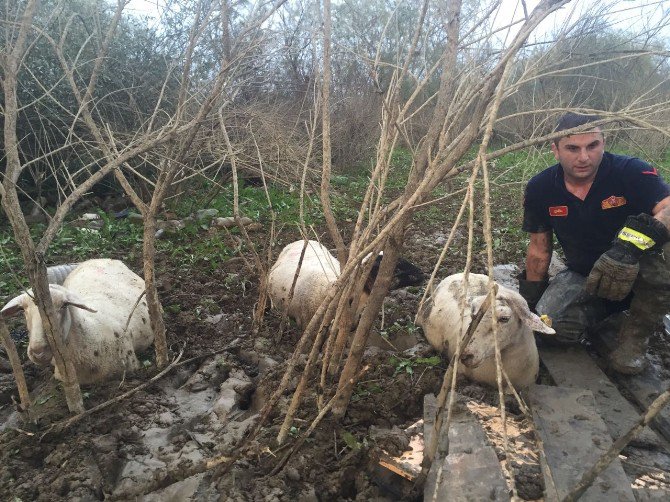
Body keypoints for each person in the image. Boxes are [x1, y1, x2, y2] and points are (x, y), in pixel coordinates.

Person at [518, 112, 670, 375]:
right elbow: (539, 249)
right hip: (586, 273)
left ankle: (638, 329)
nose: (584, 157)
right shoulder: (541, 188)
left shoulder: (631, 171)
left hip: (640, 267)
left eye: (592, 146)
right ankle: (613, 313)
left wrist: (627, 249)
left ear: (604, 142)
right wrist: (530, 303)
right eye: (572, 148)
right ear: (555, 149)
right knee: (550, 326)